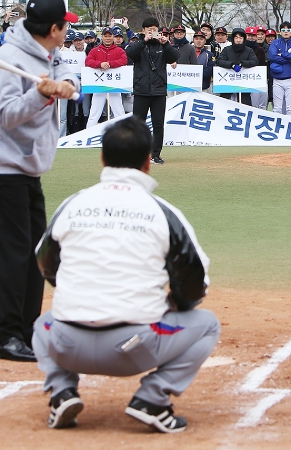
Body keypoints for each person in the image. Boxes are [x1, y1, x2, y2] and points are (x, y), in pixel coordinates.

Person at [32, 116, 217, 433]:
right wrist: (173, 305)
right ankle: (152, 398)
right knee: (207, 325)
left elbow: (45, 263)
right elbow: (193, 284)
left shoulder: (73, 203)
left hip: (65, 343)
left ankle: (61, 391)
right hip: (133, 350)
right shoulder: (163, 212)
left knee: (41, 323)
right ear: (148, 161)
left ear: (102, 158)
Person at [0, 0, 80, 363]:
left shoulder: (46, 50)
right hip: (3, 168)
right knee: (15, 255)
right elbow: (6, 115)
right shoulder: (7, 60)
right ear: (53, 28)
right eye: (65, 25)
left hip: (28, 167)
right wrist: (41, 95)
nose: (67, 30)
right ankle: (5, 335)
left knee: (38, 253)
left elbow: (64, 68)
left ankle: (28, 328)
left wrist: (65, 83)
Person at [126, 17, 179, 164]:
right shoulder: (137, 44)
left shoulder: (162, 45)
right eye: (149, 29)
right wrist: (144, 41)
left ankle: (155, 154)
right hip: (141, 90)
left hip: (159, 91)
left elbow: (175, 57)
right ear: (143, 31)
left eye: (154, 29)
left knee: (158, 124)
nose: (152, 32)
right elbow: (130, 55)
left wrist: (166, 44)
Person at [85, 27, 129, 127]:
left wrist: (109, 64)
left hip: (114, 86)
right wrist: (100, 64)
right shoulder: (95, 50)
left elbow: (124, 60)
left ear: (113, 37)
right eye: (105, 36)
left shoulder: (119, 50)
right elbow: (88, 61)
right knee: (94, 114)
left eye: (110, 36)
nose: (108, 38)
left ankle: (125, 136)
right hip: (99, 85)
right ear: (102, 37)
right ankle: (88, 135)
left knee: (119, 113)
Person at [267, 22, 291, 116]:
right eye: (283, 30)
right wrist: (289, 58)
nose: (286, 32)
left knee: (290, 109)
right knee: (277, 108)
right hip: (277, 79)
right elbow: (273, 57)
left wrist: (282, 54)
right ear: (280, 32)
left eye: (288, 30)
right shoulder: (275, 42)